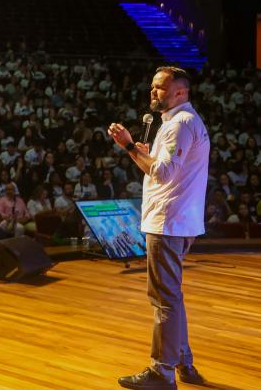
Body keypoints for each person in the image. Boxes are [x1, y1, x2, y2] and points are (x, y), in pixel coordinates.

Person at [109, 66, 209, 390]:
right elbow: (169, 172)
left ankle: (161, 372)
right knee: (172, 298)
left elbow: (163, 175)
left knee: (164, 300)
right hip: (178, 221)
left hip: (167, 222)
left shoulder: (180, 125)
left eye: (160, 88)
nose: (153, 92)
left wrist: (128, 147)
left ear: (181, 92)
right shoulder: (183, 122)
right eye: (152, 87)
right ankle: (183, 362)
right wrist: (139, 151)